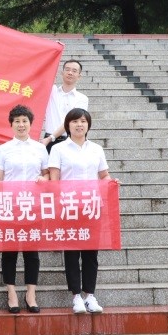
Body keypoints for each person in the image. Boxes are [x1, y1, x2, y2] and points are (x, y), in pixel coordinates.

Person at [48, 108, 116, 314]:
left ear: (88, 125)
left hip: (91, 206)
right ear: (68, 125)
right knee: (71, 252)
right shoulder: (58, 149)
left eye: (83, 121)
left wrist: (111, 182)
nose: (79, 125)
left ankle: (90, 295)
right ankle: (76, 296)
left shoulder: (96, 149)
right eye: (75, 121)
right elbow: (54, 180)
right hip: (69, 207)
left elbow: (104, 175)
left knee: (90, 253)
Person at [0, 105, 49, 314]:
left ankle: (31, 294)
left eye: (24, 121)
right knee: (9, 251)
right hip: (10, 205)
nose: (21, 124)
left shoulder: (39, 148)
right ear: (11, 125)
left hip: (33, 206)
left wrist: (44, 178)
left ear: (30, 124)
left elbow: (47, 174)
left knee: (31, 252)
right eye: (17, 121)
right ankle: (12, 293)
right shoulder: (4, 149)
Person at [43, 59, 90, 153]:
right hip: (48, 141)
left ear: (79, 76)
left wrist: (51, 138)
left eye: (74, 71)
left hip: (69, 141)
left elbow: (72, 121)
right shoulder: (51, 91)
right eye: (67, 69)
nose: (70, 73)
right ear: (62, 72)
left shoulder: (82, 98)